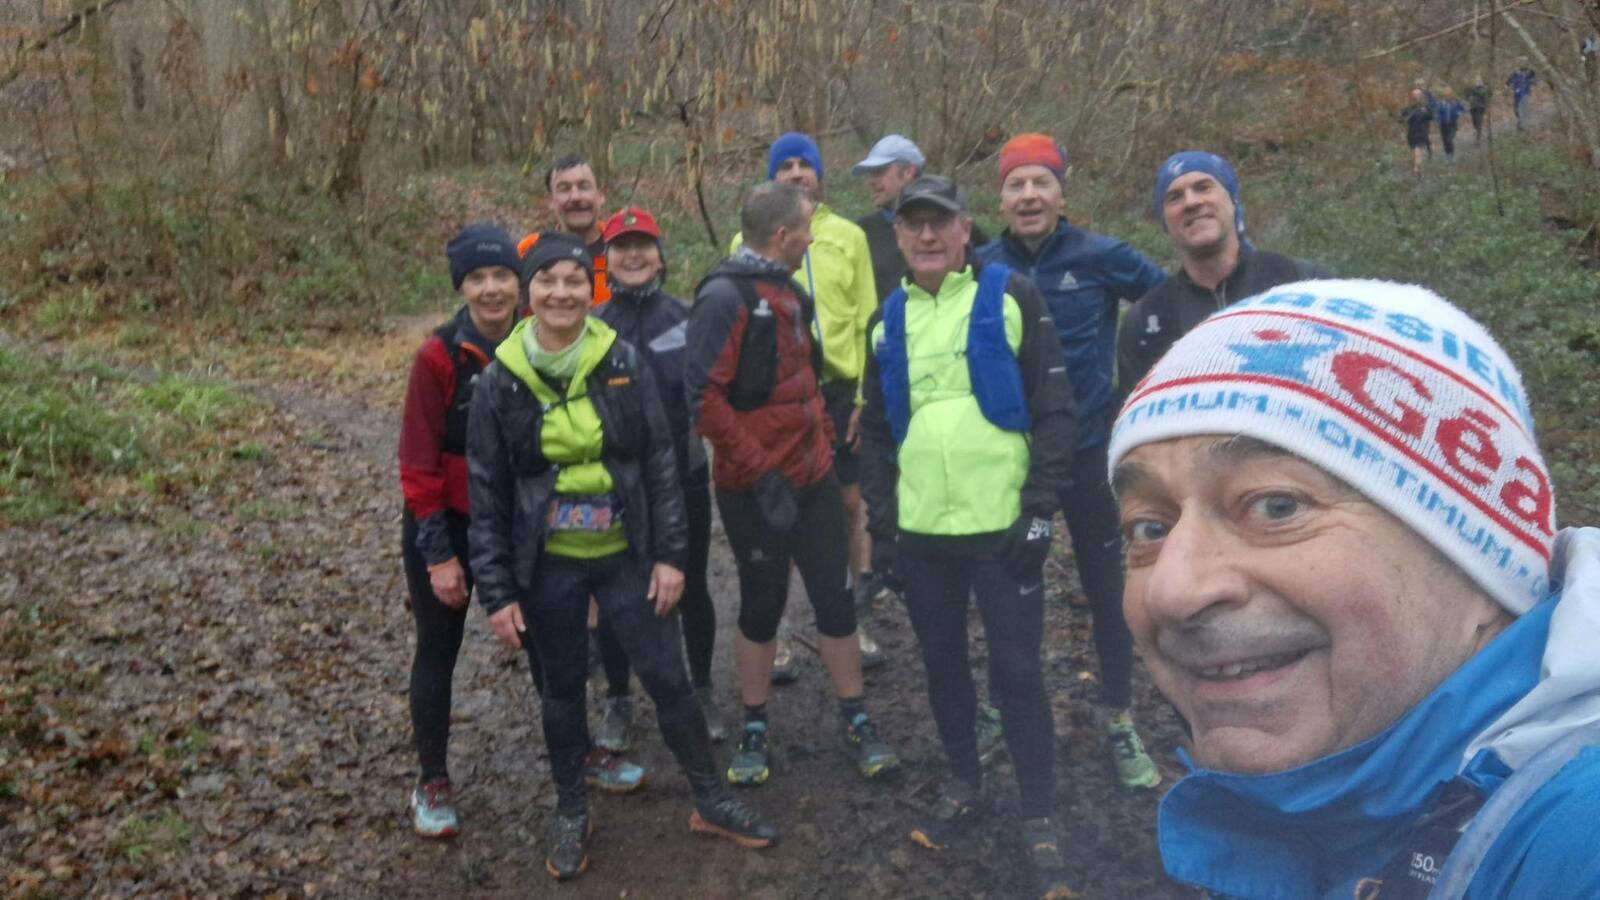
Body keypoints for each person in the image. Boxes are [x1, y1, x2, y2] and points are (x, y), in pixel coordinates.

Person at [1109, 278, 1600, 899]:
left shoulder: (1578, 843)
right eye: (1149, 528)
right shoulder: (1333, 817)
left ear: (1481, 569)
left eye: (1277, 506)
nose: (1172, 591)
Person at [468, 233, 777, 880]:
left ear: (593, 289)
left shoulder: (621, 361)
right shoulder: (500, 379)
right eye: (547, 280)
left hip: (626, 553)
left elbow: (662, 459)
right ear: (528, 291)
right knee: (562, 690)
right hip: (548, 561)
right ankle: (571, 809)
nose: (561, 293)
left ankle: (709, 798)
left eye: (574, 281)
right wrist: (496, 592)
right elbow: (488, 489)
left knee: (667, 678)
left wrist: (671, 556)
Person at [859, 175, 1080, 898]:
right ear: (898, 236)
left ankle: (1039, 809)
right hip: (924, 535)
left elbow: (1054, 406)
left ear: (965, 229)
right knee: (942, 665)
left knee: (1017, 672)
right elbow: (877, 434)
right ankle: (964, 782)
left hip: (1003, 528)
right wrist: (884, 530)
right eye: (913, 224)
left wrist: (1040, 507)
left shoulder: (1012, 295)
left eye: (940, 223)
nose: (927, 236)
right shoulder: (885, 320)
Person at [688, 181, 900, 788]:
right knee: (762, 604)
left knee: (835, 597)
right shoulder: (723, 298)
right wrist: (760, 470)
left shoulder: (789, 292)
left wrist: (824, 450)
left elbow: (807, 381)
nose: (812, 237)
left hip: (813, 480)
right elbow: (702, 397)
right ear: (782, 235)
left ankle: (856, 715)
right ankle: (755, 724)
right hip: (753, 488)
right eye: (806, 228)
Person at [977, 133, 1166, 790]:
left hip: (1087, 450)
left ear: (1062, 193)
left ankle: (1119, 715)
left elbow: (1168, 307)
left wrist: (1141, 397)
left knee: (1106, 589)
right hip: (1012, 460)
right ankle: (999, 706)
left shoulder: (1100, 256)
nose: (1029, 196)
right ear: (1000, 199)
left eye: (1041, 183)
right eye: (1016, 185)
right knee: (1005, 587)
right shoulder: (982, 266)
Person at [398, 223, 552, 838]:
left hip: (521, 524)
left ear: (520, 282)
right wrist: (439, 555)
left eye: (502, 276)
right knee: (439, 648)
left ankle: (575, 751)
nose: (491, 289)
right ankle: (432, 779)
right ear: (461, 286)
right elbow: (417, 462)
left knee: (546, 640)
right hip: (450, 525)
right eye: (477, 278)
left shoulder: (541, 340)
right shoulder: (438, 357)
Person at [730, 132, 885, 676]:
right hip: (777, 396)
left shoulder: (848, 236)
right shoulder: (745, 240)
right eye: (786, 166)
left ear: (819, 174)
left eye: (805, 165)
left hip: (837, 389)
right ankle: (777, 628)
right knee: (780, 513)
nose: (797, 173)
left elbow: (868, 317)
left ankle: (848, 618)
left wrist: (865, 395)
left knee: (846, 506)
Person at [591, 207, 727, 745]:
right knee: (615, 588)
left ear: (660, 255)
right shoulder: (592, 324)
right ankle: (619, 698)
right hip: (613, 479)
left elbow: (711, 389)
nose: (633, 255)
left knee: (690, 584)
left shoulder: (687, 318)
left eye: (642, 244)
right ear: (606, 259)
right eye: (621, 246)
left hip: (684, 471)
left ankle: (703, 690)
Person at [1118, 151, 1331, 390]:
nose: (1191, 202)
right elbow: (1134, 411)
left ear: (1232, 200)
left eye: (1203, 187)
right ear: (1164, 221)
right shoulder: (1146, 323)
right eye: (1174, 198)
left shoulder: (1304, 282)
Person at [518, 154, 612, 306]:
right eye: (564, 189)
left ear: (601, 195)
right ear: (551, 201)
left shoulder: (624, 247)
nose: (575, 197)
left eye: (584, 187)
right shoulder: (529, 249)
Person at [1400, 88, 1434, 176]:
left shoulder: (1426, 108)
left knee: (1418, 151)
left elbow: (1431, 117)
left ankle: (1416, 169)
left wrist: (1426, 113)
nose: (1416, 97)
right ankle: (1416, 168)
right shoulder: (1408, 109)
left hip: (1422, 133)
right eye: (1414, 95)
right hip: (1411, 134)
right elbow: (1401, 119)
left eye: (1418, 95)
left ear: (1421, 96)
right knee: (1414, 152)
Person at [1436, 86, 1466, 158]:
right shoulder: (1441, 103)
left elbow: (1464, 109)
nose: (1447, 96)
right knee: (1445, 140)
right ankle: (1447, 154)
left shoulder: (1455, 102)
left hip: (1453, 124)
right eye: (1446, 95)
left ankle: (1451, 155)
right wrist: (1437, 118)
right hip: (1443, 124)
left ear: (1451, 95)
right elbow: (1437, 112)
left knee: (1449, 139)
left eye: (1449, 95)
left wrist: (1459, 113)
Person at [1507, 63, 1537, 131]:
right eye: (1521, 62)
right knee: (1516, 109)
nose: (1523, 64)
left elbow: (1534, 81)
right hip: (1516, 94)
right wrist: (1511, 86)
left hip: (1525, 94)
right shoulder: (1515, 73)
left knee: (1523, 109)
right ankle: (1520, 122)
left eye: (1524, 62)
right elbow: (1508, 82)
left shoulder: (1530, 73)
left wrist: (1530, 81)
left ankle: (1523, 125)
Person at [1468, 76, 1491, 144]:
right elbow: (1469, 95)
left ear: (1481, 81)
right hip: (1473, 108)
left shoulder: (1484, 88)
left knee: (1479, 122)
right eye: (1477, 81)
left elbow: (1482, 93)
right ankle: (1478, 132)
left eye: (1479, 81)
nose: (1478, 82)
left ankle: (1478, 139)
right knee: (1474, 122)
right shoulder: (1473, 88)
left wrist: (1487, 102)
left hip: (1480, 107)